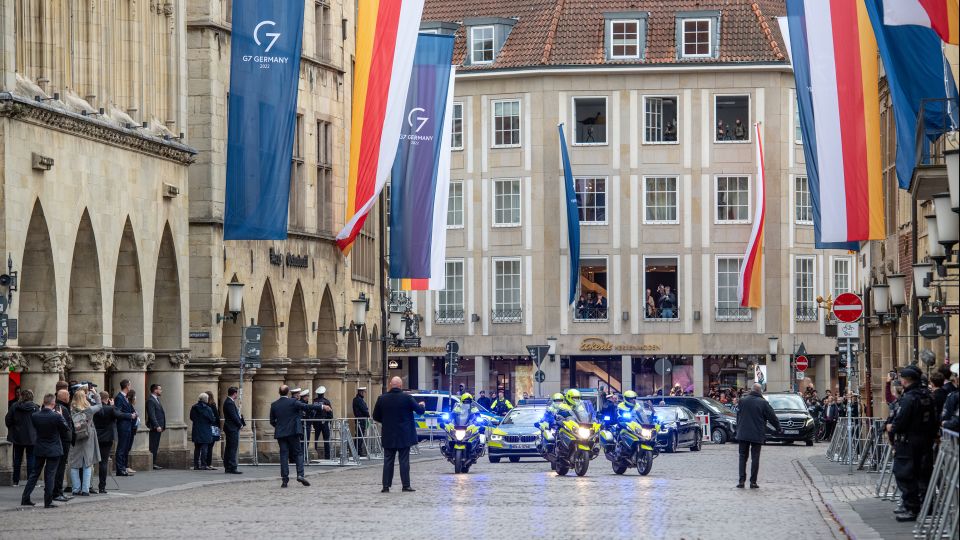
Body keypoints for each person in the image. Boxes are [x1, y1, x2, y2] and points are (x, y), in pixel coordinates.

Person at [887, 365, 939, 522]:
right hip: (925, 441)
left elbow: (901, 420)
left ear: (905, 380)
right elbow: (934, 419)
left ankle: (912, 508)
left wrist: (892, 428)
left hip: (908, 442)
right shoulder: (927, 395)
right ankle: (926, 506)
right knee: (923, 474)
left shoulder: (909, 398)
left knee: (905, 474)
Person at [373, 377, 425, 493]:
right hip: (404, 435)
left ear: (391, 385)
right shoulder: (407, 398)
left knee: (388, 460)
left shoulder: (382, 398)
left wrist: (387, 422)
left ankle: (385, 486)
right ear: (401, 386)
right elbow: (420, 411)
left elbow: (375, 416)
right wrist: (422, 405)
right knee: (404, 461)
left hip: (388, 434)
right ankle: (405, 485)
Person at [21, 393, 70, 508]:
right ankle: (48, 501)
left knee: (34, 474)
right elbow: (66, 429)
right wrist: (61, 416)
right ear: (53, 404)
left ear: (44, 402)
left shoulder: (35, 415)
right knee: (50, 475)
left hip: (40, 447)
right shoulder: (56, 416)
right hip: (53, 448)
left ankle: (25, 497)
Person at [270, 384, 324, 488]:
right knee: (298, 454)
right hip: (293, 433)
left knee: (284, 456)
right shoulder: (293, 402)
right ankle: (300, 475)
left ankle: (284, 480)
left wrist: (280, 427)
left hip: (281, 434)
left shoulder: (274, 404)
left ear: (279, 393)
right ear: (288, 392)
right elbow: (307, 407)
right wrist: (322, 406)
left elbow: (272, 421)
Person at [735, 383, 781, 489]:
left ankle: (741, 481)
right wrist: (778, 428)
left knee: (742, 457)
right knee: (755, 458)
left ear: (751, 390)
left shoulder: (742, 401)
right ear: (760, 391)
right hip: (757, 434)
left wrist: (738, 429)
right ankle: (753, 482)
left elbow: (738, 416)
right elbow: (772, 417)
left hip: (743, 433)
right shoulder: (763, 403)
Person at [93, 391, 133, 493]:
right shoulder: (110, 409)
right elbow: (120, 415)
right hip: (107, 438)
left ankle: (87, 486)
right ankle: (102, 487)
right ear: (107, 399)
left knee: (89, 463)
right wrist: (130, 415)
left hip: (94, 437)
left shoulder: (94, 408)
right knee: (104, 462)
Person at [68, 388, 102, 496]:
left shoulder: (71, 410)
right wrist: (95, 394)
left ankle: (76, 489)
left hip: (75, 437)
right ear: (84, 398)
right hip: (88, 437)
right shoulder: (89, 410)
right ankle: (85, 489)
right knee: (87, 463)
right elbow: (100, 405)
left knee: (74, 464)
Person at [5, 388, 38, 487]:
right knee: (31, 458)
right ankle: (31, 481)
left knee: (17, 458)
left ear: (21, 396)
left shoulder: (14, 406)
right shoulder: (35, 407)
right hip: (31, 436)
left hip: (17, 435)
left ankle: (15, 481)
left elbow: (8, 420)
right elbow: (38, 421)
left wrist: (13, 428)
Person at [52, 388, 74, 501]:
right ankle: (57, 492)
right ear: (65, 397)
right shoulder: (63, 409)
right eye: (68, 396)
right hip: (63, 441)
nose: (69, 397)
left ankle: (56, 491)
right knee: (60, 468)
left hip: (59, 440)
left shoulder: (58, 407)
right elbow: (65, 426)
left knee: (57, 467)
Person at [114, 379, 137, 476]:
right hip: (122, 426)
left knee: (125, 447)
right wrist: (129, 415)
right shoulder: (119, 397)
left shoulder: (125, 397)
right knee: (121, 448)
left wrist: (133, 414)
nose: (130, 387)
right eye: (130, 385)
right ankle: (120, 469)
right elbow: (117, 412)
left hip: (128, 426)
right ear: (127, 386)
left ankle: (123, 467)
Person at [189, 393, 217, 471]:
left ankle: (196, 465)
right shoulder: (208, 409)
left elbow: (191, 417)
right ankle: (203, 464)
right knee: (204, 448)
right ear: (206, 400)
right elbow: (212, 419)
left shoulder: (194, 407)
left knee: (197, 448)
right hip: (205, 429)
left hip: (196, 429)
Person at [222, 387, 244, 474]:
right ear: (234, 393)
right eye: (236, 393)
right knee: (232, 447)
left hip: (230, 428)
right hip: (231, 428)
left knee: (229, 447)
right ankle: (232, 466)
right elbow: (233, 416)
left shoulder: (229, 402)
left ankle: (228, 466)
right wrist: (240, 424)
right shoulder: (229, 403)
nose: (237, 395)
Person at [146, 383, 166, 470]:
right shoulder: (151, 400)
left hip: (159, 427)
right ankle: (152, 463)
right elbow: (152, 415)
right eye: (160, 389)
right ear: (155, 390)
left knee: (155, 445)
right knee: (153, 445)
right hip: (154, 427)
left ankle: (154, 462)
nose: (161, 391)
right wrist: (157, 425)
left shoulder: (156, 399)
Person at [312, 386, 333, 459]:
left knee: (315, 439)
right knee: (326, 439)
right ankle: (327, 456)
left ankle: (314, 454)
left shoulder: (314, 401)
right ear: (323, 393)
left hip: (316, 422)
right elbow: (330, 413)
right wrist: (329, 419)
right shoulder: (326, 401)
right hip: (324, 422)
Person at [353, 387, 371, 457]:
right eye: (363, 392)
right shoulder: (359, 400)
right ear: (361, 392)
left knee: (359, 435)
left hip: (360, 419)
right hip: (361, 420)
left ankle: (358, 451)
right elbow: (364, 409)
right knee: (360, 435)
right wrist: (368, 415)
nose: (364, 394)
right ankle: (358, 451)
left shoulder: (357, 399)